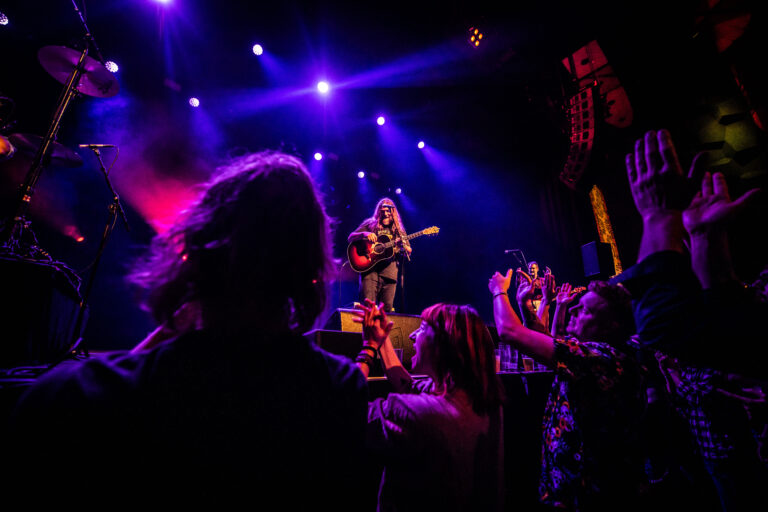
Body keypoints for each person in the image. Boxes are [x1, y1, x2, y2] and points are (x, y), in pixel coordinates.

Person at [8, 151, 368, 507]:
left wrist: (171, 329)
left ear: (197, 249)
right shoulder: (339, 389)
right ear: (310, 268)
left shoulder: (72, 395)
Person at [489, 269, 646, 511]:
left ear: (611, 325)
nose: (573, 310)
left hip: (587, 495)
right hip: (571, 488)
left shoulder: (601, 359)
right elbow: (546, 340)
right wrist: (524, 303)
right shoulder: (590, 355)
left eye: (585, 310)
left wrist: (499, 290)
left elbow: (509, 331)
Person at [353, 299, 505, 512]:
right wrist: (382, 340)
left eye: (422, 328)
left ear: (443, 345)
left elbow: (347, 408)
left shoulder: (413, 413)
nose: (412, 335)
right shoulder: (485, 400)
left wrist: (368, 348)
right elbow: (407, 385)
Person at [348, 197, 411, 312]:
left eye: (388, 211)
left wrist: (403, 245)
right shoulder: (370, 223)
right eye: (383, 211)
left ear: (393, 212)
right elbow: (351, 237)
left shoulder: (398, 229)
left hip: (390, 274)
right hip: (370, 271)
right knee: (368, 309)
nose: (386, 214)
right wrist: (365, 234)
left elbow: (408, 250)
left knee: (386, 311)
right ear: (379, 211)